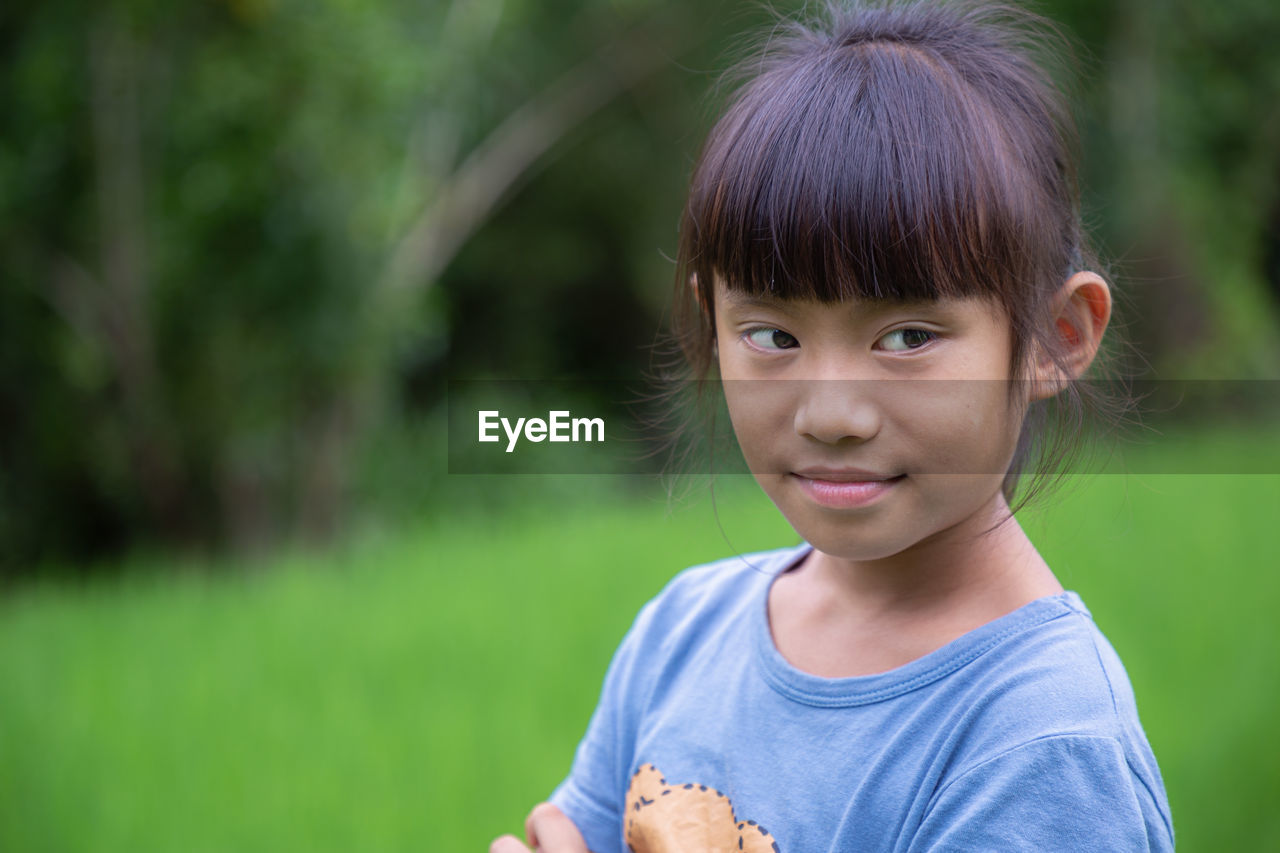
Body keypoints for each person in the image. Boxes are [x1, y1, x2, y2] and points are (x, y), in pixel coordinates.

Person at [492, 1, 1174, 850]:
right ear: (712, 327)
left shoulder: (1040, 744)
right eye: (773, 336)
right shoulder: (680, 633)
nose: (833, 416)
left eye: (908, 337)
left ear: (1052, 338)